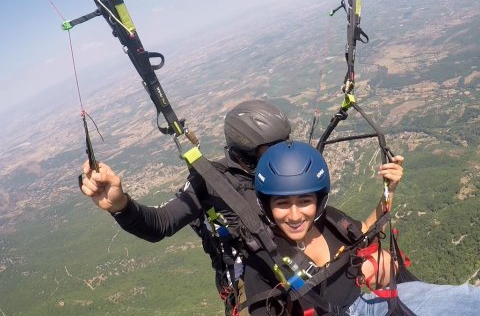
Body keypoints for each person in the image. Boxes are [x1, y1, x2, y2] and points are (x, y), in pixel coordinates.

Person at [80, 99, 291, 315]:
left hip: (295, 265)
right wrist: (120, 206)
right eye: (273, 149)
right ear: (247, 149)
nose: (284, 155)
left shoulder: (286, 171)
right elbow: (160, 223)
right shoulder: (211, 182)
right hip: (253, 289)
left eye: (287, 144)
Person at [244, 140, 480, 315]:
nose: (295, 215)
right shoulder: (263, 262)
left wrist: (390, 190)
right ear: (267, 205)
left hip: (369, 304)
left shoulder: (328, 222)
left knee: (468, 299)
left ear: (318, 201)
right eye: (282, 204)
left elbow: (365, 230)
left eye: (305, 201)